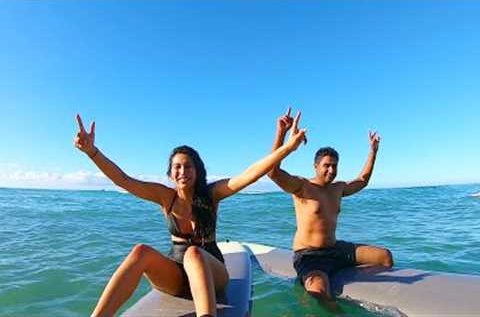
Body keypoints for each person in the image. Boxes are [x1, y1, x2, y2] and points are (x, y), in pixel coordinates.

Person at [73, 113, 306, 317]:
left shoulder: (212, 194)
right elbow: (123, 180)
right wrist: (91, 151)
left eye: (188, 166)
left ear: (197, 170)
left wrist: (287, 146)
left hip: (213, 274)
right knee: (140, 251)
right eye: (177, 167)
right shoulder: (165, 196)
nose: (182, 171)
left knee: (194, 252)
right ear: (171, 172)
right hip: (176, 275)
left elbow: (251, 174)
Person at [268, 108, 393, 303]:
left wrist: (373, 151)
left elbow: (363, 179)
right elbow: (272, 171)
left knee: (385, 257)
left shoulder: (338, 188)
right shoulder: (302, 186)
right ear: (315, 166)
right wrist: (282, 134)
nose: (332, 169)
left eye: (335, 165)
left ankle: (359, 291)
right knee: (320, 292)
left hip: (335, 249)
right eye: (327, 165)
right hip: (309, 256)